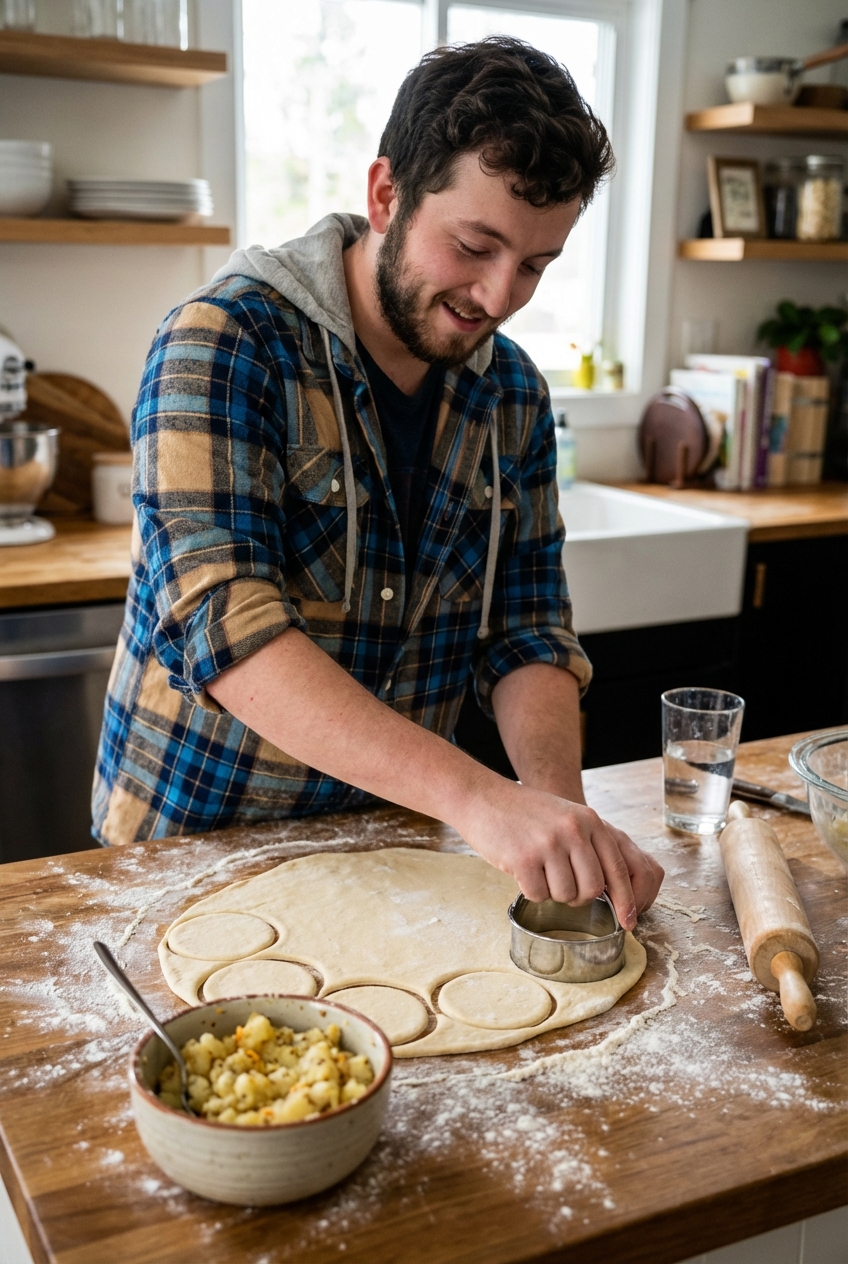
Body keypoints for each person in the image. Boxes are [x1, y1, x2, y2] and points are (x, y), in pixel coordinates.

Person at [94, 36, 663, 928]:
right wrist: (479, 800)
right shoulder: (222, 342)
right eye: (475, 245)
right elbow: (223, 626)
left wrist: (560, 820)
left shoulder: (510, 391)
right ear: (386, 194)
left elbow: (527, 628)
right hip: (194, 858)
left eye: (537, 265)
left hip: (391, 857)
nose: (499, 295)